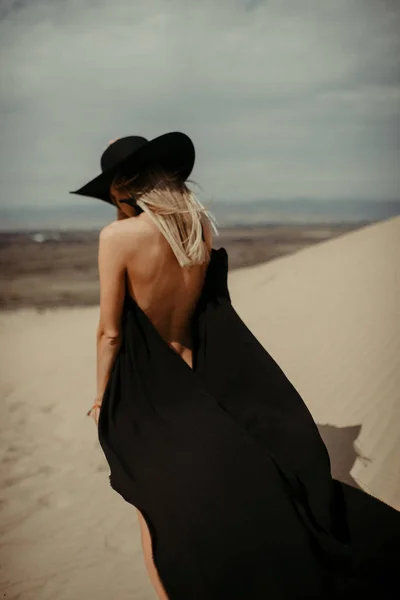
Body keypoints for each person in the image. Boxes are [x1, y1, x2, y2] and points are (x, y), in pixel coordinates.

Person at [70, 132, 400, 599]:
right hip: (198, 375)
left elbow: (110, 332)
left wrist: (103, 395)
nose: (111, 200)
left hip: (145, 387)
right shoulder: (197, 225)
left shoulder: (117, 237)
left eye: (111, 190)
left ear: (124, 185)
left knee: (146, 500)